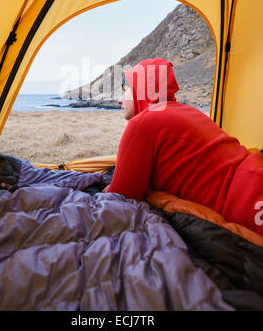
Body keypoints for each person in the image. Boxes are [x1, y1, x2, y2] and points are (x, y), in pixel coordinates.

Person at [103, 58, 263, 236]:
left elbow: (121, 196)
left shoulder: (143, 123)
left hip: (246, 200)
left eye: (125, 91)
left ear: (142, 90)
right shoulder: (187, 111)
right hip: (254, 173)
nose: (119, 100)